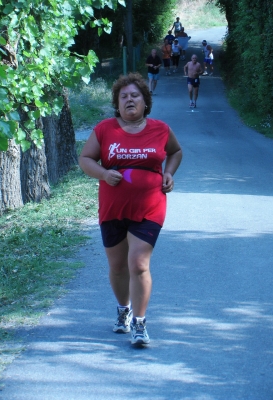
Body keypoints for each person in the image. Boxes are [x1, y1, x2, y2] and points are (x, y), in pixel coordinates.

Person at [78, 73, 182, 346]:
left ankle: (140, 323)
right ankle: (123, 309)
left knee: (138, 263)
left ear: (145, 101)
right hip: (112, 207)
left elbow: (175, 152)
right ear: (117, 103)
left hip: (150, 206)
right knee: (117, 266)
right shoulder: (105, 129)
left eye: (134, 95)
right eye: (123, 97)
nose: (129, 100)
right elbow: (85, 159)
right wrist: (103, 173)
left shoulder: (160, 129)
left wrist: (169, 173)